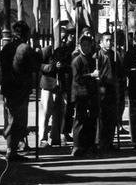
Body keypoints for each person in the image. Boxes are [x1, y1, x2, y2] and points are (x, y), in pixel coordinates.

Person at [0, 20, 39, 160]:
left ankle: (12, 148)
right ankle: (12, 151)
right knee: (19, 120)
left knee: (10, 119)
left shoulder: (6, 48)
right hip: (20, 89)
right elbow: (35, 66)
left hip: (8, 88)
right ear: (25, 34)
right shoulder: (25, 48)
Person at [38, 24, 73, 147]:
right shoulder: (47, 50)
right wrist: (51, 67)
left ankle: (55, 137)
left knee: (60, 112)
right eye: (61, 38)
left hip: (61, 85)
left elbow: (70, 68)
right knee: (46, 112)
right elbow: (39, 65)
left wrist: (63, 67)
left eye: (65, 38)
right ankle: (43, 138)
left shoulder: (67, 52)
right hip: (48, 85)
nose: (63, 40)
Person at [71, 29, 100, 157]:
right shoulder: (77, 61)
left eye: (88, 45)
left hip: (91, 93)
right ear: (80, 46)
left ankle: (89, 145)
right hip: (80, 93)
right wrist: (91, 75)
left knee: (92, 120)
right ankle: (77, 146)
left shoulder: (93, 59)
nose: (86, 48)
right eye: (84, 45)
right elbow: (77, 78)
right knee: (80, 120)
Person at [96, 31, 121, 152]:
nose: (109, 42)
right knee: (102, 117)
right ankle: (101, 142)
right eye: (106, 40)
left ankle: (110, 141)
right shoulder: (98, 55)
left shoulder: (114, 54)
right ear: (101, 43)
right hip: (101, 88)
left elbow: (119, 71)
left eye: (111, 40)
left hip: (112, 88)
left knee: (112, 117)